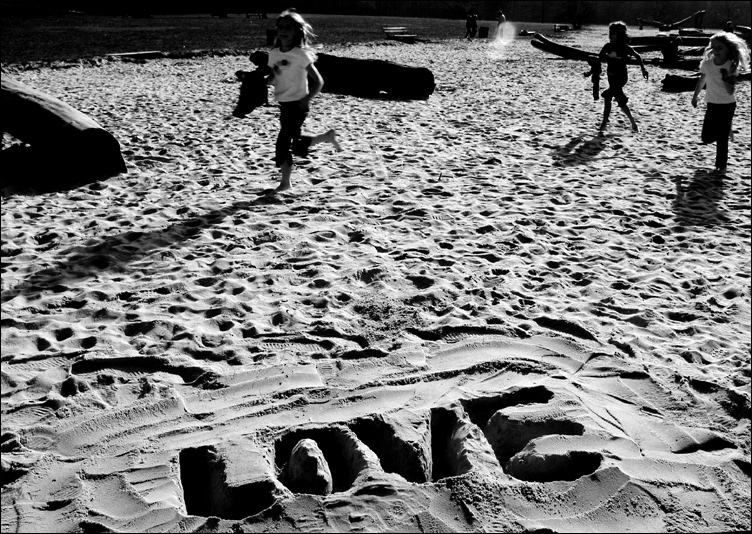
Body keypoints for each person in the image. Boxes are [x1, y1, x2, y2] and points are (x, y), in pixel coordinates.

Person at [266, 10, 341, 192]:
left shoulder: (301, 55)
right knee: (296, 143)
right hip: (284, 104)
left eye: (288, 28)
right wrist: (258, 82)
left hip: (298, 105)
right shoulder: (274, 53)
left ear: (297, 32)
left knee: (283, 142)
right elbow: (273, 78)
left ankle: (285, 183)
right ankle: (326, 137)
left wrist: (306, 100)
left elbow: (319, 81)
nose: (283, 31)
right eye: (280, 27)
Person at [691, 31, 750, 173]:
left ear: (728, 49)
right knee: (706, 137)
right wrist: (695, 96)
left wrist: (725, 77)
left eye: (720, 48)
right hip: (711, 103)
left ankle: (721, 166)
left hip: (727, 105)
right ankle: (726, 129)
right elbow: (702, 80)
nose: (716, 51)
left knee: (722, 138)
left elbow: (730, 91)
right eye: (714, 47)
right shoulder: (707, 64)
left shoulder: (731, 65)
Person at [598, 21, 649, 134]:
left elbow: (638, 56)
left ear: (619, 34)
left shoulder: (624, 47)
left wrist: (643, 69)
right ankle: (633, 124)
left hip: (621, 77)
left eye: (613, 33)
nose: (610, 35)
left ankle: (604, 124)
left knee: (608, 96)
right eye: (610, 32)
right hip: (611, 77)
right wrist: (607, 56)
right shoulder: (608, 46)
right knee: (620, 100)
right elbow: (600, 57)